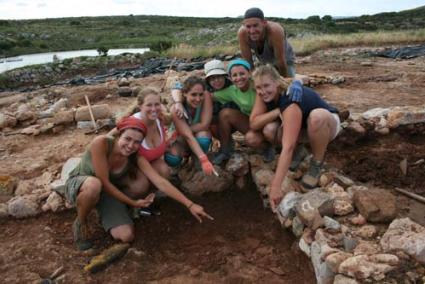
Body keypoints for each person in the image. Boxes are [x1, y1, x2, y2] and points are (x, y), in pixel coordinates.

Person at [65, 116, 213, 251]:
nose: (131, 145)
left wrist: (190, 205)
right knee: (94, 186)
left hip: (107, 193)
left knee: (126, 236)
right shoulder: (102, 143)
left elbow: (160, 182)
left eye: (137, 142)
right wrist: (133, 202)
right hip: (83, 183)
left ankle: (114, 210)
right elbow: (104, 182)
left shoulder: (136, 157)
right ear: (119, 135)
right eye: (127, 139)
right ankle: (81, 222)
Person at [251, 64, 341, 211]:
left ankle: (316, 164)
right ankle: (301, 152)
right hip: (303, 127)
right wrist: (277, 110)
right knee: (269, 129)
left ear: (277, 82)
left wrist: (276, 186)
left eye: (266, 86)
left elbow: (287, 147)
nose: (262, 91)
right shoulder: (263, 93)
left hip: (327, 124)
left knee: (316, 117)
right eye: (258, 88)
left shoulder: (290, 98)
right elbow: (254, 123)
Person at [165, 76, 215, 175]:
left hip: (191, 135)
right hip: (181, 140)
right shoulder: (176, 108)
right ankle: (178, 169)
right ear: (184, 93)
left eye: (201, 95)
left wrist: (182, 130)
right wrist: (204, 159)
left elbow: (204, 125)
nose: (198, 99)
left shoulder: (206, 96)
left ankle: (197, 161)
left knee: (203, 137)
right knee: (172, 158)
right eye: (193, 95)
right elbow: (187, 136)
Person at [238, 7, 296, 77]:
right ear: (244, 25)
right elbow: (248, 62)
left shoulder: (275, 31)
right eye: (248, 26)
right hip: (264, 61)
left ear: (264, 23)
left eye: (255, 25)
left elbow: (281, 61)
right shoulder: (242, 34)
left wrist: (284, 82)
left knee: (288, 82)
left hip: (285, 59)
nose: (252, 31)